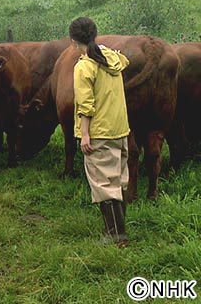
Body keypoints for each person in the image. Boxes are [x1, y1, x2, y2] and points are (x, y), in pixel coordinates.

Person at [70, 17, 130, 248]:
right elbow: (123, 60)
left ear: (73, 41)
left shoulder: (84, 66)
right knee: (119, 180)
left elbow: (85, 104)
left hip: (99, 132)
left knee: (103, 184)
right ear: (95, 35)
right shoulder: (112, 58)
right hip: (119, 128)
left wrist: (85, 135)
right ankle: (116, 231)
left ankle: (116, 235)